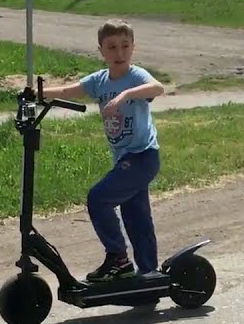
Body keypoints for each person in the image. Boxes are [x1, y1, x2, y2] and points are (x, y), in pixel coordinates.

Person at [40, 19, 166, 281]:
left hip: (143, 156)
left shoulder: (136, 77)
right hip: (125, 159)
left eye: (125, 46)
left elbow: (158, 88)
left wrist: (125, 96)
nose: (119, 53)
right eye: (111, 47)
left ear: (133, 47)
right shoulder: (100, 80)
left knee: (99, 198)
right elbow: (66, 90)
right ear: (101, 51)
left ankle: (118, 259)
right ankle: (148, 276)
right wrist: (36, 93)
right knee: (136, 217)